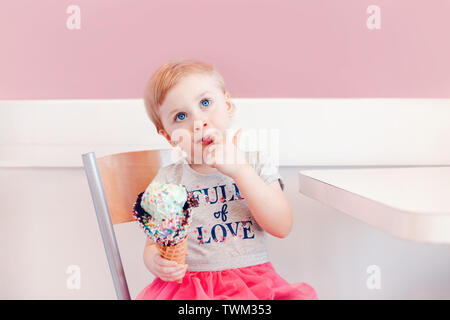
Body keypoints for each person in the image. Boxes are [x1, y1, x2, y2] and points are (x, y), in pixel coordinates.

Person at [135, 59, 318, 300]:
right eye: (181, 116)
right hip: (190, 290)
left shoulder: (255, 163)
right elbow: (153, 243)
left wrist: (240, 170)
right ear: (169, 136)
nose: (198, 122)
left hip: (253, 285)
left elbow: (282, 226)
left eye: (205, 103)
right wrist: (155, 261)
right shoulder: (168, 179)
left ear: (228, 105)